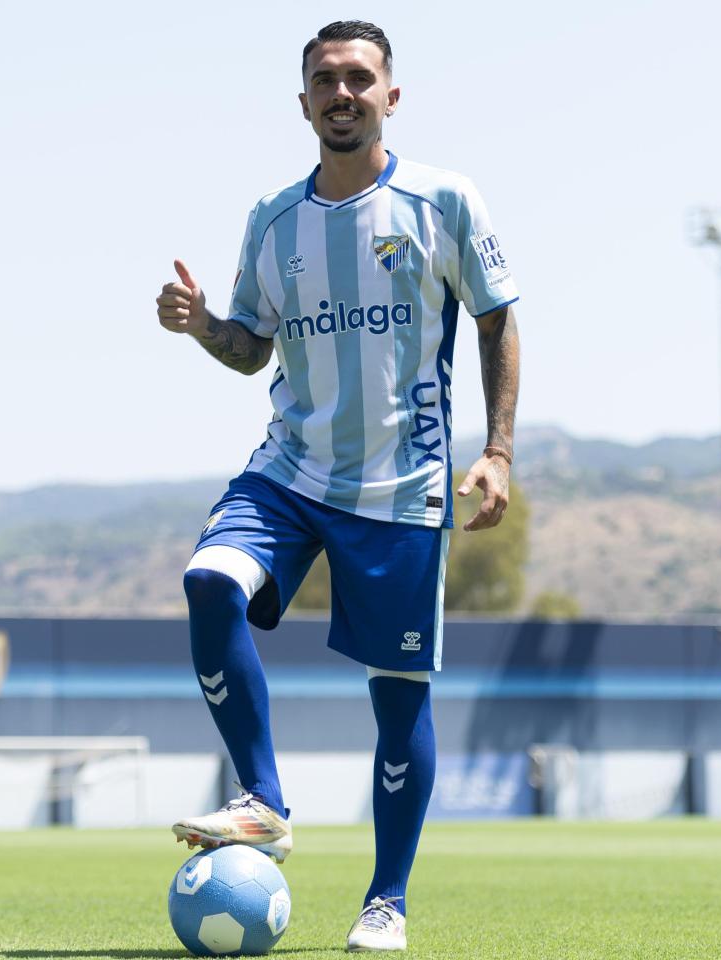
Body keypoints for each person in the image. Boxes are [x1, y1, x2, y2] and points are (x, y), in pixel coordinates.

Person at [152, 19, 521, 953]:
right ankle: (263, 800)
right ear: (305, 101)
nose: (343, 93)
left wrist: (500, 450)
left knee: (399, 698)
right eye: (326, 80)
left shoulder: (445, 201)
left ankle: (385, 901)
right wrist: (203, 326)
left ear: (391, 95)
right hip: (289, 470)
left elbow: (495, 320)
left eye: (360, 78)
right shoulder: (274, 220)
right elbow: (251, 350)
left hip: (401, 489)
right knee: (208, 582)